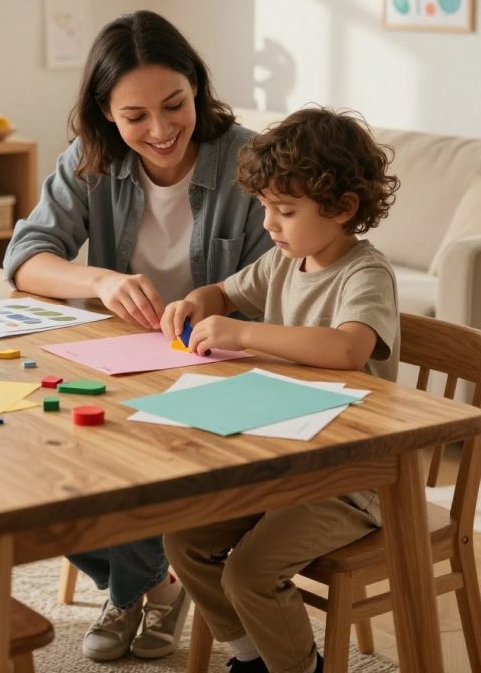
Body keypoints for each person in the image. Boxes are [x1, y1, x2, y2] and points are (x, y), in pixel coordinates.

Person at [3, 9, 271, 662]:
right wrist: (97, 280)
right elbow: (26, 255)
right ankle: (150, 580)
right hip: (125, 362)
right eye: (134, 117)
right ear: (106, 114)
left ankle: (135, 587)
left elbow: (284, 285)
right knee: (34, 464)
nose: (159, 130)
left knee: (112, 463)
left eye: (174, 105)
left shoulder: (250, 162)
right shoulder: (89, 160)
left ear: (197, 89)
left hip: (224, 371)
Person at [160, 106, 401, 673]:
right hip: (283, 464)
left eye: (285, 211)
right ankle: (252, 658)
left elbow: (348, 349)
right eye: (266, 207)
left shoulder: (365, 274)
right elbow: (223, 290)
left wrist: (244, 330)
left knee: (249, 572)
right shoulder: (284, 261)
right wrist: (198, 301)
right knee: (184, 540)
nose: (269, 223)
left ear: (343, 209)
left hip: (352, 479)